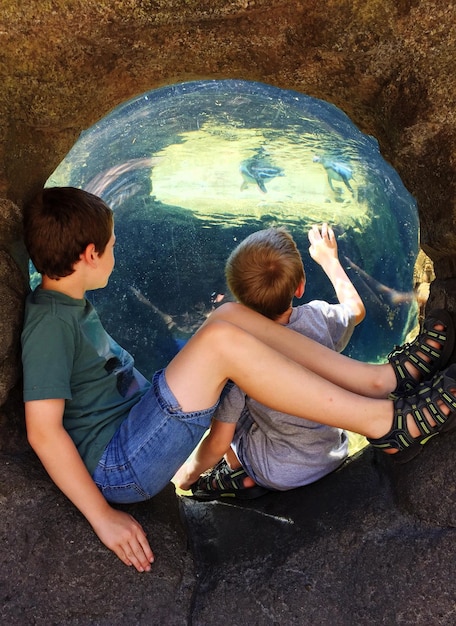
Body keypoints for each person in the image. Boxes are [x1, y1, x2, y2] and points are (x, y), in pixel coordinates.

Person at [21, 187, 456, 574]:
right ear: (90, 254)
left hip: (136, 427)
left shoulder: (66, 302)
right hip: (119, 464)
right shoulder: (49, 324)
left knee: (227, 316)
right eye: (113, 246)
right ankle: (384, 423)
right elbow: (43, 431)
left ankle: (380, 380)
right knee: (222, 342)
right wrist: (102, 516)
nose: (117, 253)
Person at [173, 224, 366, 499]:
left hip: (277, 472)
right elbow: (356, 310)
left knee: (222, 391)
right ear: (300, 287)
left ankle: (237, 469)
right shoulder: (320, 318)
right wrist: (329, 260)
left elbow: (218, 442)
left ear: (238, 299)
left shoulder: (241, 352)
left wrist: (187, 476)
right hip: (332, 453)